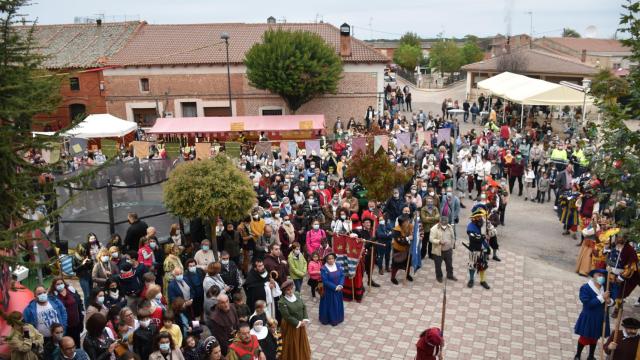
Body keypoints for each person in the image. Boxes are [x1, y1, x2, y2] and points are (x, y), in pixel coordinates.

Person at [574, 269, 612, 360]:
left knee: (595, 337)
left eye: (603, 276)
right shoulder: (585, 288)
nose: (601, 277)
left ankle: (591, 355)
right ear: (593, 276)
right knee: (584, 337)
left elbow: (610, 301)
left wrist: (609, 301)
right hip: (589, 316)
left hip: (600, 316)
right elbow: (588, 304)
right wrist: (602, 297)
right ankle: (578, 355)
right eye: (599, 275)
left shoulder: (605, 288)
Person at [278, 280, 311, 360]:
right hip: (291, 326)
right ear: (284, 291)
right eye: (288, 290)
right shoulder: (282, 302)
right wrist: (299, 323)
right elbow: (287, 317)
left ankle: (302, 355)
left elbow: (303, 306)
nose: (290, 291)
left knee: (301, 341)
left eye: (291, 289)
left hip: (301, 324)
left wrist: (305, 319)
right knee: (293, 342)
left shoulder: (297, 294)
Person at [49, 277, 83, 346]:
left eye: (61, 283)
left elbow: (79, 303)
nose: (60, 285)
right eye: (57, 284)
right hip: (64, 327)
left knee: (77, 343)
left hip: (76, 323)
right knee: (67, 344)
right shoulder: (53, 296)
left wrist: (81, 318)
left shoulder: (71, 291)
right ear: (54, 286)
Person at [467, 209, 490, 289]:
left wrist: (489, 231)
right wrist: (483, 236)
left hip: (483, 248)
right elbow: (473, 236)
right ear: (473, 218)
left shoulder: (485, 224)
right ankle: (471, 279)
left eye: (480, 217)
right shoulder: (470, 226)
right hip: (474, 248)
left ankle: (482, 280)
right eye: (477, 217)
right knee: (472, 265)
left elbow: (493, 232)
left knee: (483, 265)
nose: (479, 218)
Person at [319, 253, 344, 326]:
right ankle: (330, 319)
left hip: (338, 290)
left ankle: (338, 318)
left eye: (332, 258)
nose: (331, 260)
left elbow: (342, 275)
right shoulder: (324, 269)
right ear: (326, 260)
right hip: (329, 292)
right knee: (330, 306)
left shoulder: (338, 265)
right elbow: (325, 281)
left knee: (337, 304)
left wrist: (340, 285)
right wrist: (335, 287)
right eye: (329, 259)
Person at [429, 216, 457, 283]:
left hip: (448, 250)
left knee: (449, 265)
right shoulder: (434, 229)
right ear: (439, 222)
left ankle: (450, 275)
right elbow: (431, 239)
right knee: (438, 265)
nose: (444, 224)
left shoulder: (450, 227)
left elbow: (453, 237)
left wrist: (452, 245)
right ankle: (439, 277)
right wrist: (439, 242)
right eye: (443, 222)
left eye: (446, 222)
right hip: (438, 251)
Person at [390, 215, 413, 285]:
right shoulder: (396, 230)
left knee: (408, 264)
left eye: (408, 221)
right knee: (396, 265)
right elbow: (400, 241)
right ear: (402, 223)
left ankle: (407, 274)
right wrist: (408, 238)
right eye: (406, 221)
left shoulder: (410, 226)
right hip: (398, 250)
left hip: (407, 249)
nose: (408, 223)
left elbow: (414, 233)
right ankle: (393, 278)